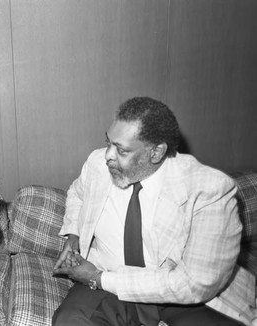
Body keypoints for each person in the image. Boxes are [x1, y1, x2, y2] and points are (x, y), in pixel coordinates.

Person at [52, 97, 254, 326]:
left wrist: (97, 278)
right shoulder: (97, 163)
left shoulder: (210, 191)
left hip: (180, 297)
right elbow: (77, 193)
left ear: (156, 153)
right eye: (108, 142)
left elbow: (193, 284)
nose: (107, 155)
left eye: (121, 150)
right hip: (108, 280)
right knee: (70, 321)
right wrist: (74, 236)